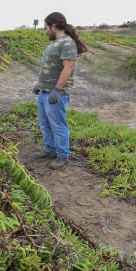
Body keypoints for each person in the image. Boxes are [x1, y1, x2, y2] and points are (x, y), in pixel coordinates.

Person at [33, 12, 87, 169]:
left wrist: (57, 90)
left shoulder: (67, 43)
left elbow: (68, 67)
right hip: (44, 91)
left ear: (54, 26)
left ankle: (63, 155)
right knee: (44, 123)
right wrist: (39, 84)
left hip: (56, 94)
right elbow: (50, 67)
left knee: (57, 124)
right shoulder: (54, 43)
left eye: (46, 28)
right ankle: (50, 149)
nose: (45, 31)